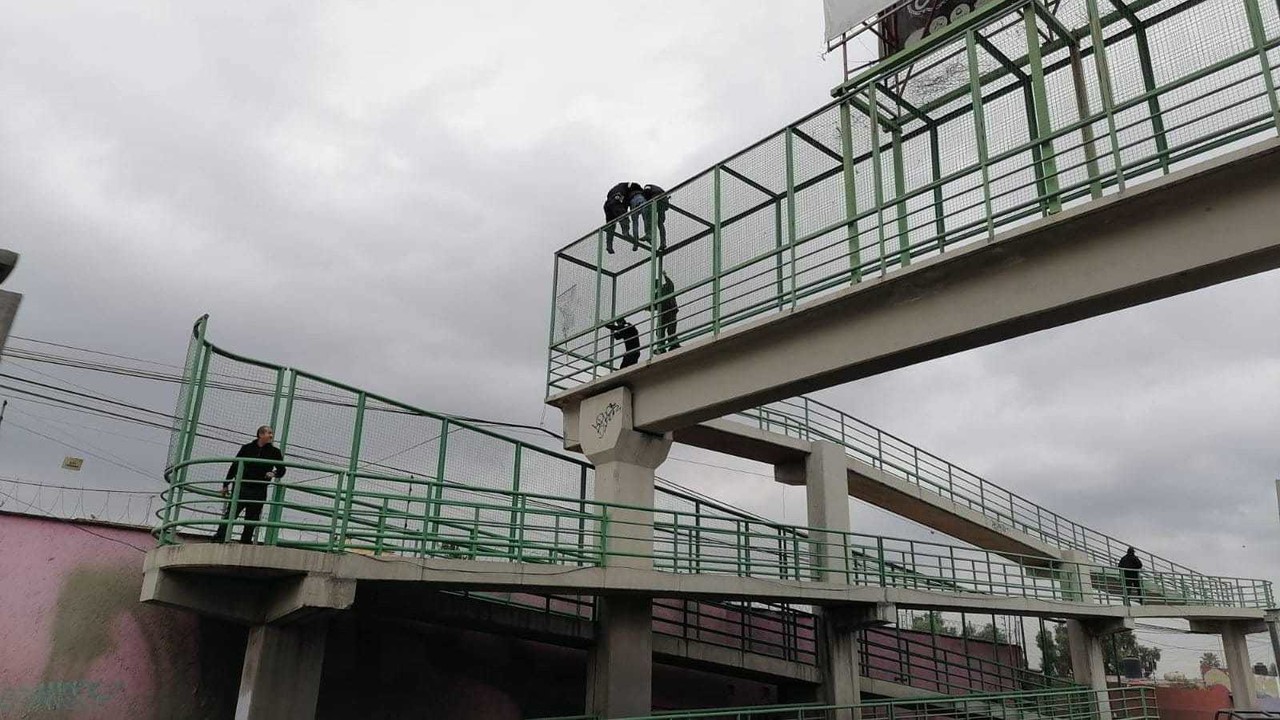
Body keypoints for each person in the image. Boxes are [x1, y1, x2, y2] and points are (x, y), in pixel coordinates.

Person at [213, 425, 287, 544]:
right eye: (269, 433)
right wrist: (225, 484)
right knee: (231, 514)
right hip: (242, 487)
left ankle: (245, 542)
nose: (271, 436)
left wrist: (273, 473)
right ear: (260, 435)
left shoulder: (274, 452)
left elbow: (282, 469)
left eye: (272, 433)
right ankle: (219, 538)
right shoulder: (247, 448)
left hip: (259, 489)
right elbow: (235, 466)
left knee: (252, 518)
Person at [604, 182, 641, 254]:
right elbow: (623, 209)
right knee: (624, 218)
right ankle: (625, 232)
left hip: (607, 204)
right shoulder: (628, 187)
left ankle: (609, 245)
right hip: (617, 201)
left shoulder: (616, 188)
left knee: (610, 226)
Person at [654, 273, 680, 354]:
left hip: (670, 311)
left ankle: (674, 344)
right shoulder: (656, 294)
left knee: (671, 330)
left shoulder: (666, 287)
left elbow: (671, 284)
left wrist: (665, 276)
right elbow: (655, 306)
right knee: (659, 331)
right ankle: (661, 347)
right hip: (662, 313)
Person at [641, 184, 669, 249]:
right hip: (663, 202)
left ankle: (648, 234)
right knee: (660, 223)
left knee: (647, 215)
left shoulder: (647, 187)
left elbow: (647, 191)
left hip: (658, 201)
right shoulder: (653, 188)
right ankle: (663, 243)